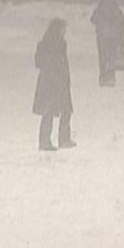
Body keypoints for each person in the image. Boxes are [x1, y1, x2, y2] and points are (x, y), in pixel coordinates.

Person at [32, 18, 75, 151]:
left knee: (55, 111)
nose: (64, 31)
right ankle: (58, 140)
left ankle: (51, 140)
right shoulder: (58, 44)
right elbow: (60, 63)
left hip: (50, 81)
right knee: (55, 111)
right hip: (55, 82)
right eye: (63, 29)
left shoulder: (46, 43)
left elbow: (38, 63)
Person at [90, 0, 124, 87]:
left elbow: (92, 19)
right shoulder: (117, 11)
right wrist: (123, 40)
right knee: (112, 58)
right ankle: (111, 77)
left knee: (102, 58)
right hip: (114, 39)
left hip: (102, 38)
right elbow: (122, 26)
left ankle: (103, 77)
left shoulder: (99, 10)